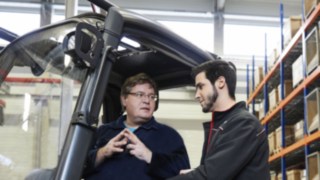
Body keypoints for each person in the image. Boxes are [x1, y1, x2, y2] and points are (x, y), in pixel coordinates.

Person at [169, 59, 270, 180]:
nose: (197, 95)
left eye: (201, 87)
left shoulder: (244, 123)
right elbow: (217, 169)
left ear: (220, 82)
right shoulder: (223, 124)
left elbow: (210, 176)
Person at [83, 73, 190, 180]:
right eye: (139, 94)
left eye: (152, 96)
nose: (147, 101)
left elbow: (185, 175)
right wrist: (103, 152)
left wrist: (149, 157)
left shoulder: (170, 136)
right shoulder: (103, 131)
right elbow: (79, 168)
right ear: (124, 99)